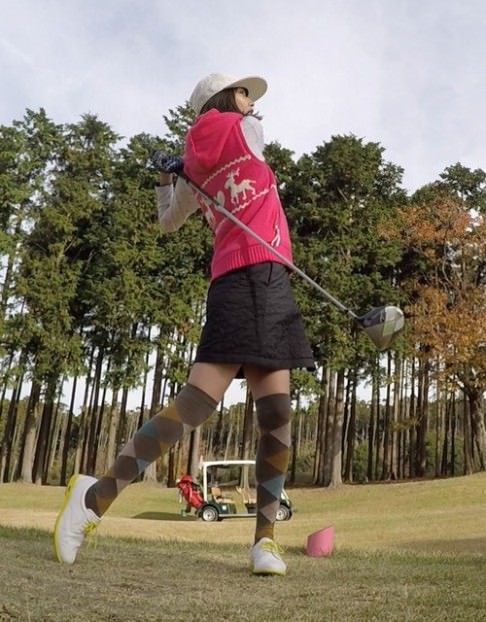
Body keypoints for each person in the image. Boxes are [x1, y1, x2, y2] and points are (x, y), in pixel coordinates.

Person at [53, 72, 315, 576]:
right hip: (251, 280)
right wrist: (192, 160)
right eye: (244, 94)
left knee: (270, 411)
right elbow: (232, 138)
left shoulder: (193, 162)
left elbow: (169, 220)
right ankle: (94, 499)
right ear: (224, 99)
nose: (251, 103)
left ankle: (262, 542)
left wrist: (168, 175)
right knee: (224, 408)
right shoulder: (245, 131)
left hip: (257, 279)